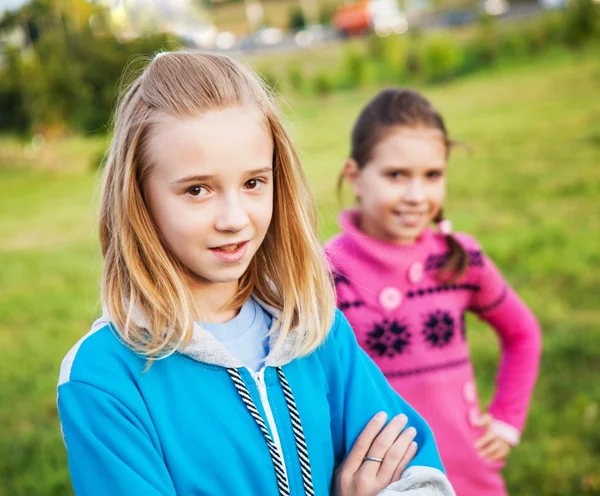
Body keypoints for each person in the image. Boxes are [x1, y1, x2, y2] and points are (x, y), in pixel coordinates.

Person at [56, 52, 455, 496]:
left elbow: (420, 477)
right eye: (197, 189)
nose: (234, 218)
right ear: (139, 198)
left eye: (253, 183)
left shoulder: (314, 330)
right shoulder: (104, 377)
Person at [324, 88, 542, 495]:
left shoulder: (461, 259)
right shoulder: (328, 274)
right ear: (355, 177)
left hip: (473, 476)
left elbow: (522, 332)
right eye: (396, 175)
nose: (416, 195)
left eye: (432, 175)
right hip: (392, 484)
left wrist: (507, 419)